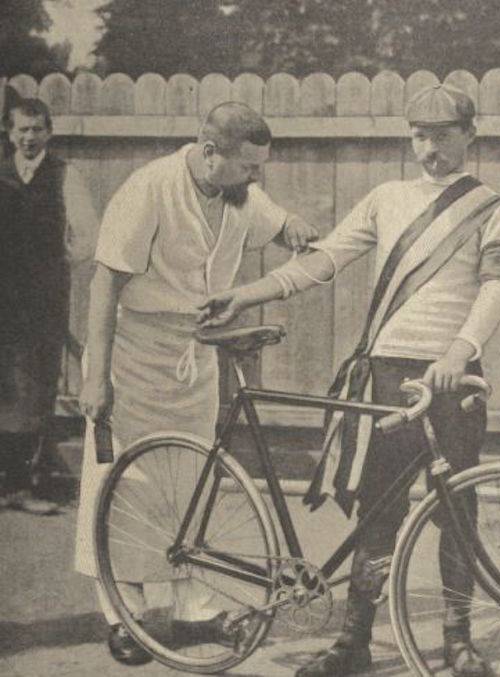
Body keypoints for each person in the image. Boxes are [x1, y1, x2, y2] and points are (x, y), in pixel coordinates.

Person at [199, 83, 500, 677]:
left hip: (453, 376)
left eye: (444, 135)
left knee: (459, 508)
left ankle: (458, 639)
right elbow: (323, 260)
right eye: (420, 136)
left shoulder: (491, 205)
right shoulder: (387, 197)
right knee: (379, 510)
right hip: (388, 372)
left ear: (470, 135)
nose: (431, 148)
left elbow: (498, 286)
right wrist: (247, 294)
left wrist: (460, 349)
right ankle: (353, 643)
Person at [75, 101, 318, 666]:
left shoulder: (235, 192)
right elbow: (103, 288)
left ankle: (195, 605)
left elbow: (276, 221)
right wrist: (96, 378)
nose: (256, 177)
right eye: (248, 166)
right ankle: (123, 611)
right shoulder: (148, 190)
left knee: (193, 482)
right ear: (210, 154)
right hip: (131, 354)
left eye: (261, 167)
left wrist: (295, 228)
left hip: (194, 353)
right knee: (123, 482)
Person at [0, 97, 99, 514]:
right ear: (9, 132)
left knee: (35, 387)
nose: (29, 137)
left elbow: (89, 237)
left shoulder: (64, 175)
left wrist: (54, 263)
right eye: (22, 129)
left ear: (49, 132)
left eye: (37, 129)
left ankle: (23, 486)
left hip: (42, 299)